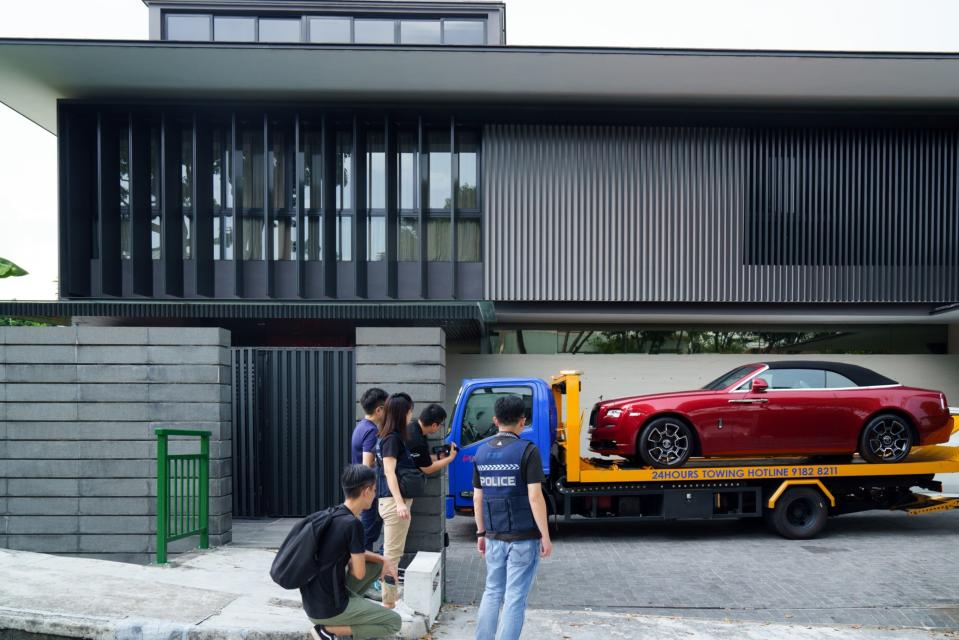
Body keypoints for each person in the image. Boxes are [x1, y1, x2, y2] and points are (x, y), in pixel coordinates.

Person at [472, 395, 553, 640]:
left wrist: (480, 532)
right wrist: (545, 536)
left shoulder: (481, 452)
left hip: (494, 536)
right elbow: (535, 497)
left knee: (492, 591)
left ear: (495, 420)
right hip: (523, 537)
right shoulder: (528, 451)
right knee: (515, 597)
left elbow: (478, 498)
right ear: (522, 421)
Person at [305, 464, 402, 640]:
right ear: (366, 491)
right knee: (393, 622)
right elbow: (359, 573)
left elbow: (344, 554)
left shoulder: (333, 514)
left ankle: (350, 610)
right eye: (374, 490)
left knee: (374, 564)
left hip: (312, 603)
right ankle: (328, 631)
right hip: (329, 609)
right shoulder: (353, 525)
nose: (375, 494)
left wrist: (383, 560)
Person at [374, 392, 417, 609]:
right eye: (410, 410)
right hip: (393, 503)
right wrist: (400, 503)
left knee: (392, 554)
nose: (412, 415)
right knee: (392, 556)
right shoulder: (392, 439)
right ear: (403, 413)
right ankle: (388, 604)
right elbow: (389, 473)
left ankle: (389, 601)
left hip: (390, 502)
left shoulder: (386, 437)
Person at [351, 388, 388, 552]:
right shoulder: (371, 430)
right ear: (379, 410)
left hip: (361, 488)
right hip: (367, 490)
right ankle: (364, 573)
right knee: (367, 534)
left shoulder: (360, 426)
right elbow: (367, 464)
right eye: (386, 408)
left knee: (366, 532)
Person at [406, 404, 459, 475]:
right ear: (434, 425)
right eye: (440, 425)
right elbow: (428, 469)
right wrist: (451, 458)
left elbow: (423, 458)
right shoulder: (417, 440)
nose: (440, 427)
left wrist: (440, 456)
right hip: (404, 480)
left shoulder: (414, 426)